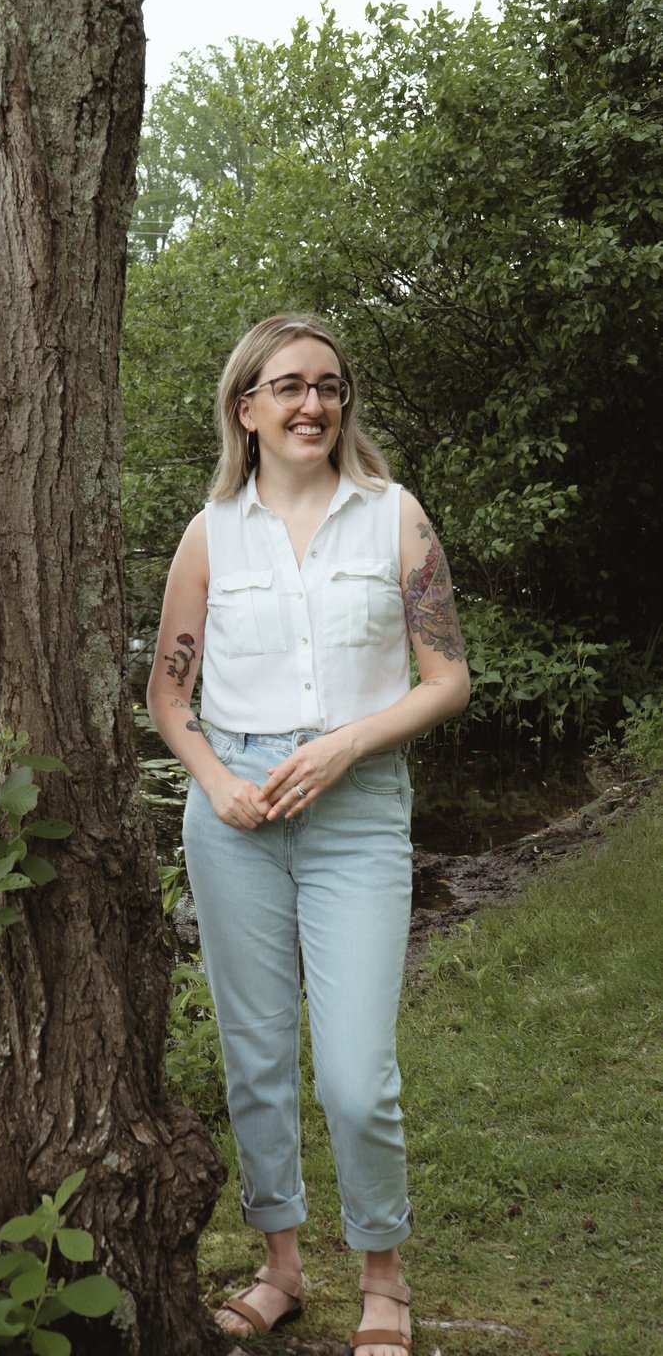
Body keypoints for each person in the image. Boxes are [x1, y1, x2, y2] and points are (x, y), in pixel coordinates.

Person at [146, 314, 470, 1354]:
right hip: (232, 816)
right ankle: (280, 1266)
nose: (310, 405)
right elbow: (168, 696)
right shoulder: (210, 532)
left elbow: (448, 679)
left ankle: (382, 1273)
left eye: (326, 386)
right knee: (255, 1061)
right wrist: (213, 782)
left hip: (356, 808)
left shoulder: (394, 520)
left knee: (354, 1073)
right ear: (245, 409)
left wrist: (344, 748)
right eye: (286, 387)